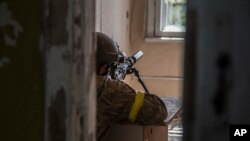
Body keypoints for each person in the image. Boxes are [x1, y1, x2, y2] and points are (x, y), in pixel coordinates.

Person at [96, 32, 168, 141]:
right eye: (110, 66)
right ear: (104, 68)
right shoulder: (106, 90)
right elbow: (158, 110)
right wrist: (118, 85)